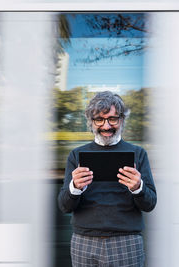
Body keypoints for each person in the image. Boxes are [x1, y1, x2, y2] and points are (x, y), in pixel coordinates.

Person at [58, 91, 157, 267]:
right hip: (84, 241)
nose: (106, 126)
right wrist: (74, 188)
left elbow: (149, 204)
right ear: (91, 122)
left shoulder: (138, 154)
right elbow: (64, 205)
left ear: (122, 120)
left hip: (127, 241)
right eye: (99, 119)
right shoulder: (76, 155)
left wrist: (138, 188)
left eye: (113, 119)